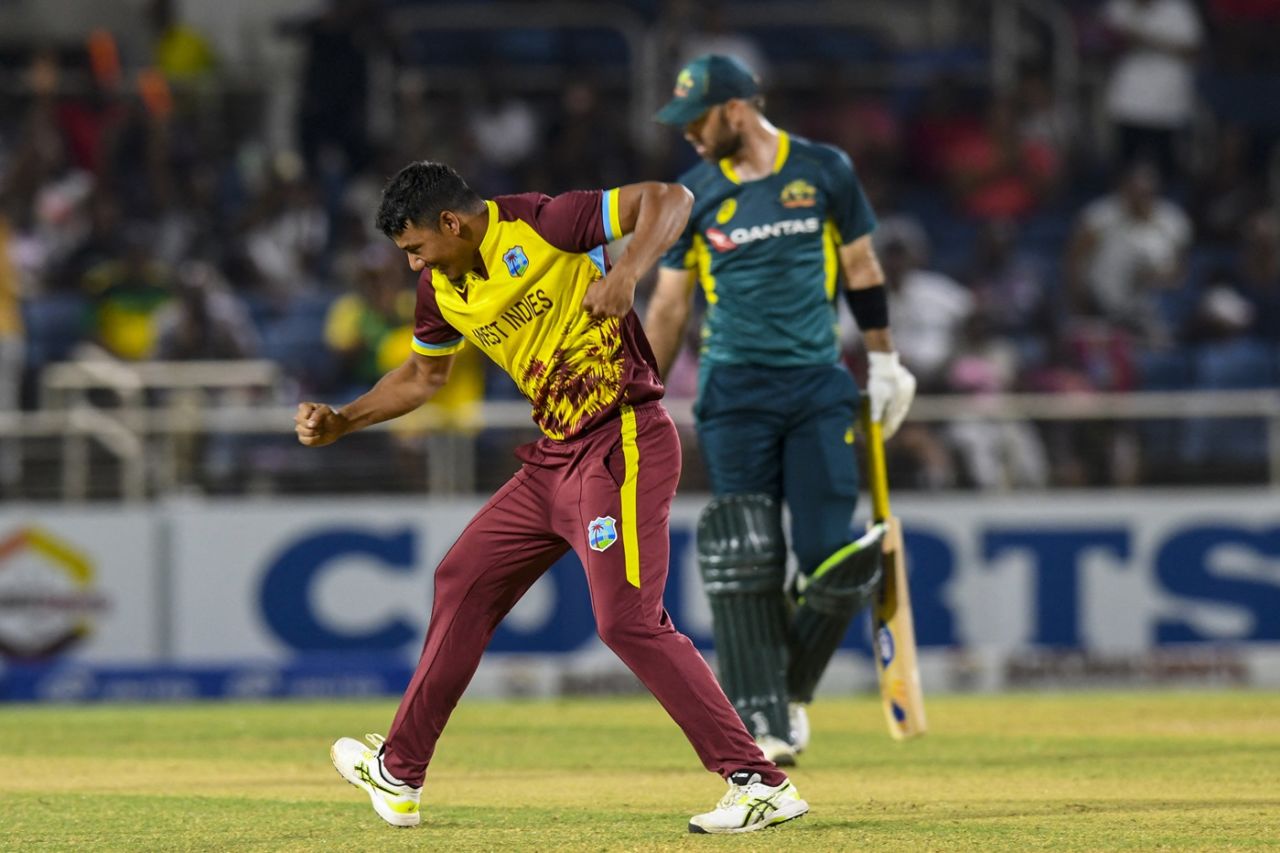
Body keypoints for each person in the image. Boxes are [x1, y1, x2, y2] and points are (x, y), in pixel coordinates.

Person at [295, 161, 808, 834]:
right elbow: (423, 376)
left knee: (626, 620)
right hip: (555, 457)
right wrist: (345, 419)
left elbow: (671, 198)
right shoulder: (440, 290)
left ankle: (758, 781)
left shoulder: (543, 223)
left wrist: (627, 273)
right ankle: (399, 770)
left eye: (417, 247)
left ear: (451, 223)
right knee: (462, 578)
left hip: (622, 438)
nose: (415, 264)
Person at [644, 55, 918, 766]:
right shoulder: (693, 195)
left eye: (697, 120)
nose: (688, 135)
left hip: (816, 385)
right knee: (749, 554)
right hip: (734, 392)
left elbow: (861, 267)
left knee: (834, 558)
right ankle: (764, 717)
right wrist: (636, 394)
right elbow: (669, 306)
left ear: (736, 110)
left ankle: (786, 689)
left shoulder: (824, 170)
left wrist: (885, 361)